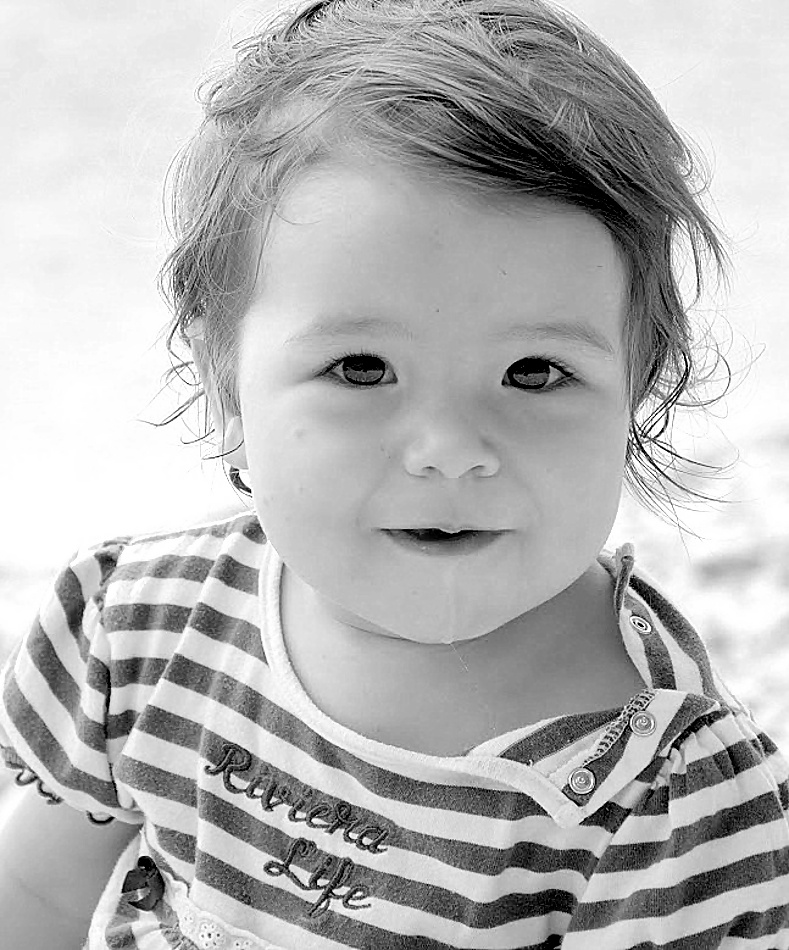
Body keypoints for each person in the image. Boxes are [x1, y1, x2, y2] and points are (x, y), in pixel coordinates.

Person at [1, 0, 787, 946]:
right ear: (226, 388)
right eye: (361, 369)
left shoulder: (666, 804)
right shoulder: (145, 626)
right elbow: (37, 895)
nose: (448, 448)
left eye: (534, 373)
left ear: (638, 386)